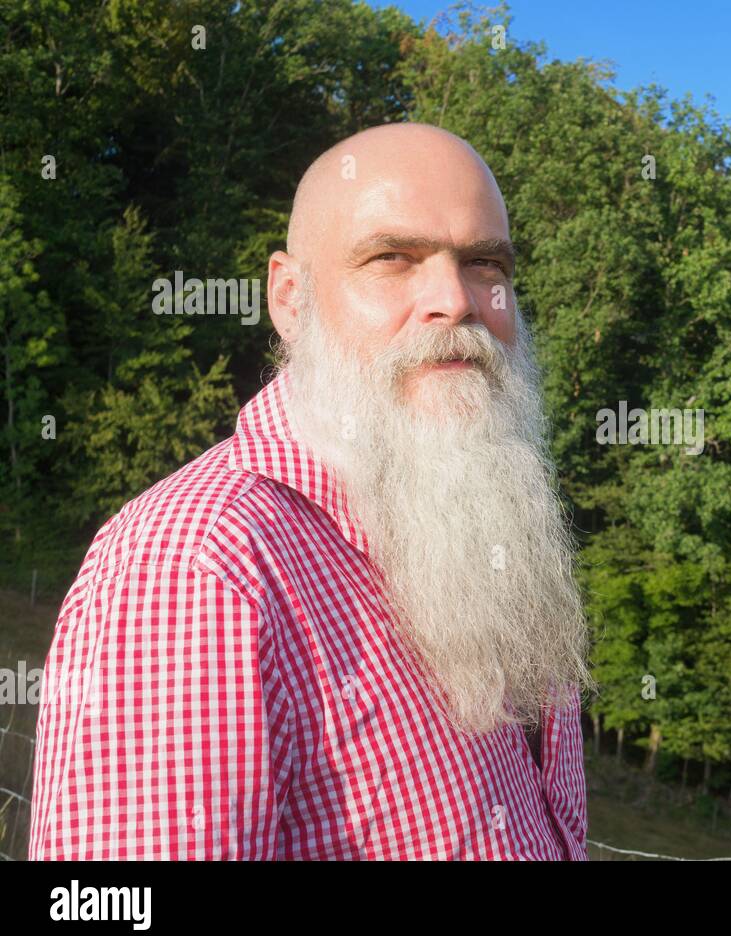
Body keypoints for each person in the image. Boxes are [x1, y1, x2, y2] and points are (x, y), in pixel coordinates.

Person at [28, 122, 595, 860]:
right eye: (392, 258)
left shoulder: (483, 523)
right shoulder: (197, 569)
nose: (455, 300)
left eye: (485, 262)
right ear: (291, 300)